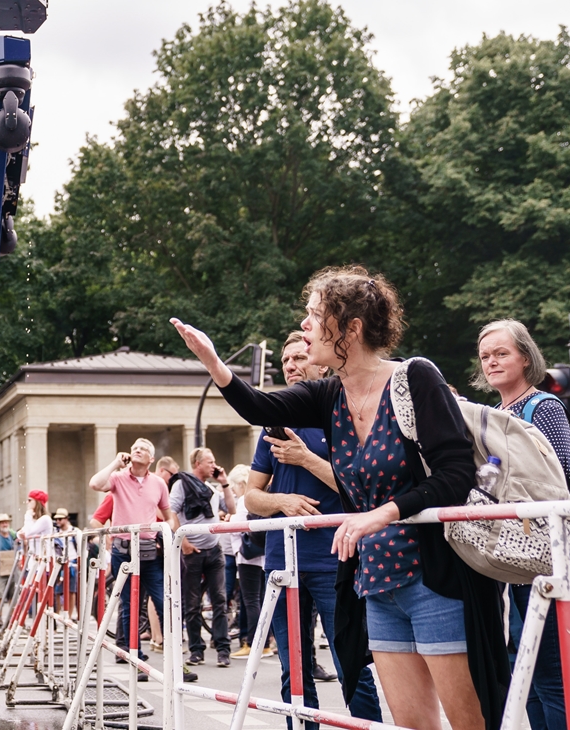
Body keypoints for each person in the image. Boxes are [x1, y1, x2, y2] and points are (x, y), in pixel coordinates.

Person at [172, 265, 508, 730]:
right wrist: (213, 362)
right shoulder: (328, 394)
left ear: (351, 328)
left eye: (315, 314)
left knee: (470, 724)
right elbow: (259, 407)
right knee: (412, 725)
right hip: (375, 583)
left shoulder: (415, 378)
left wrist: (380, 515)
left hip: (436, 580)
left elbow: (456, 475)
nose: (306, 325)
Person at [245, 331, 382, 729]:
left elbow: (363, 485)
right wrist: (281, 502)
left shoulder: (345, 413)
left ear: (322, 362)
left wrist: (306, 460)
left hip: (334, 558)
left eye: (299, 357)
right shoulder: (274, 420)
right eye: (285, 360)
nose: (290, 365)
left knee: (350, 663)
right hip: (281, 561)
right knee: (294, 670)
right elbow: (251, 497)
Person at [474, 318, 570, 727]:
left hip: (551, 556)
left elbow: (559, 478)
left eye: (501, 353)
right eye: (485, 356)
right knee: (526, 677)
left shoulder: (542, 407)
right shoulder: (495, 411)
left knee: (551, 675)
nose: (492, 362)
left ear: (526, 358)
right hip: (518, 557)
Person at [88, 439, 177, 675]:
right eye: (135, 447)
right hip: (123, 550)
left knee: (162, 602)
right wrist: (116, 462)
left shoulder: (158, 483)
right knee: (129, 605)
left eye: (144, 449)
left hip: (149, 550)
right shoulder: (118, 478)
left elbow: (168, 516)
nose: (137, 450)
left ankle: (175, 658)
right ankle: (134, 657)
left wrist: (165, 535)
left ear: (152, 459)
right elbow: (95, 484)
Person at [169, 447, 236, 667]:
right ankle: (196, 650)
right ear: (198, 463)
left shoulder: (212, 489)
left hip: (214, 550)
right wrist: (184, 542)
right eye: (210, 462)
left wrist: (225, 483)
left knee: (220, 599)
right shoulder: (181, 484)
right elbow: (171, 512)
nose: (214, 466)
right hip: (192, 552)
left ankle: (222, 649)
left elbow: (232, 508)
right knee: (192, 603)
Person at [230, 467, 275, 659]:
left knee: (250, 601)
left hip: (247, 557)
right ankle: (265, 642)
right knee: (261, 600)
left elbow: (238, 527)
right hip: (263, 556)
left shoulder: (244, 501)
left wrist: (229, 519)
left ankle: (255, 644)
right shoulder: (264, 497)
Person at [52, 508, 81, 614]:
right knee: (58, 590)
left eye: (60, 519)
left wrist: (80, 563)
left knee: (71, 590)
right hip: (59, 562)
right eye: (56, 519)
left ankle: (69, 615)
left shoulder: (75, 531)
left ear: (66, 519)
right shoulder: (55, 532)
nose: (58, 521)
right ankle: (58, 614)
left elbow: (82, 549)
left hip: (72, 562)